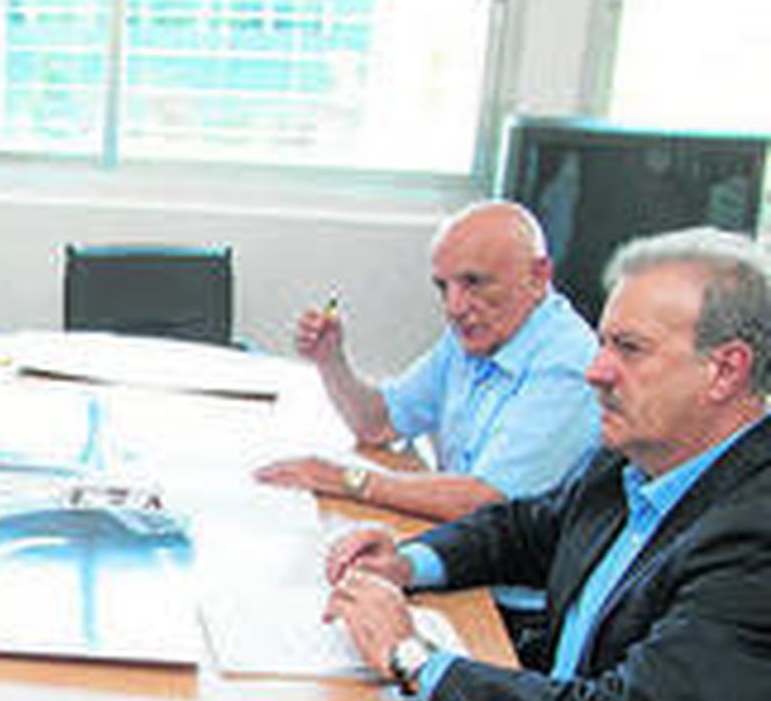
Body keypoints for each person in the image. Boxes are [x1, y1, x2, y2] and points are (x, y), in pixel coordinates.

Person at [321, 227, 771, 701]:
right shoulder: (637, 457)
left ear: (725, 371)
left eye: (628, 350)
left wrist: (411, 659)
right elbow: (526, 529)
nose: (595, 370)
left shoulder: (754, 537)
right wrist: (407, 563)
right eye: (603, 344)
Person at [256, 200, 600, 522]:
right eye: (442, 287)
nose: (454, 307)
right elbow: (378, 424)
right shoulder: (475, 336)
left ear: (538, 277)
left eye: (474, 282)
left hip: (509, 577)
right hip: (461, 544)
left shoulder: (567, 364)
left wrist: (345, 478)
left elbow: (483, 503)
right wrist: (331, 361)